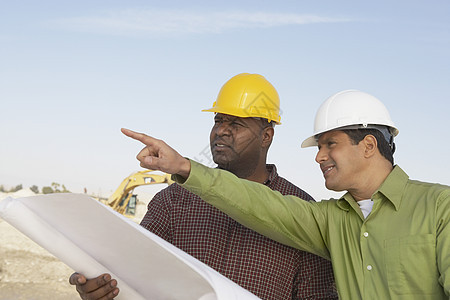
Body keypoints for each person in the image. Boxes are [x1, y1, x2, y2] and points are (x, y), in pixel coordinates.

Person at [122, 89, 450, 299]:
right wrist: (184, 166)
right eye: (319, 146)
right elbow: (259, 203)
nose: (319, 156)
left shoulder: (439, 207)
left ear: (368, 145)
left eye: (329, 144)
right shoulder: (328, 219)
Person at [70, 73, 337, 299]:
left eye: (236, 123)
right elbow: (131, 274)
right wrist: (102, 288)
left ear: (266, 136)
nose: (221, 131)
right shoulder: (174, 201)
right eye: (218, 121)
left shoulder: (302, 213)